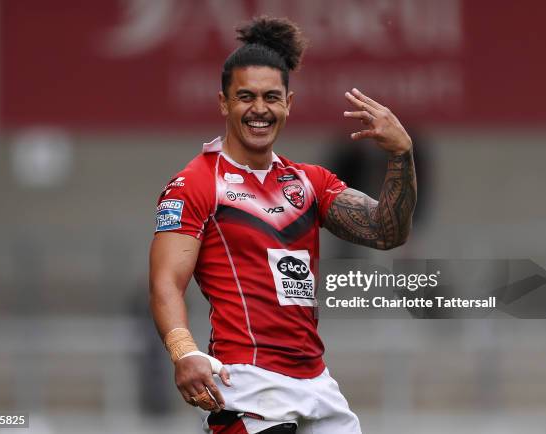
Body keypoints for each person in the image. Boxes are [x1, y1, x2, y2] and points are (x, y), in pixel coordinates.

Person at [149, 16, 416, 434]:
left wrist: (401, 156)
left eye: (272, 97)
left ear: (289, 103)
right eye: (246, 97)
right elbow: (166, 282)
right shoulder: (196, 183)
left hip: (317, 386)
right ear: (223, 103)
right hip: (247, 386)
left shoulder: (309, 181)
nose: (260, 109)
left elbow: (387, 232)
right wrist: (184, 353)